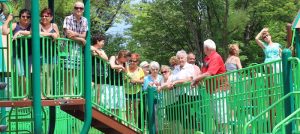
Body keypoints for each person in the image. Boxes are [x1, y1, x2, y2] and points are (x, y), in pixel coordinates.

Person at [192, 39, 228, 133]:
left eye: (203, 48)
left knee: (221, 115)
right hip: (213, 90)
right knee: (216, 115)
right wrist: (197, 80)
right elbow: (203, 73)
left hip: (220, 90)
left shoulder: (216, 57)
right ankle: (220, 132)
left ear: (207, 48)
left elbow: (209, 73)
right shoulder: (207, 59)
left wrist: (196, 79)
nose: (203, 50)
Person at [2, 9, 31, 99]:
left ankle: (25, 94)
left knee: (26, 75)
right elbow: (4, 32)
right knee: (20, 74)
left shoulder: (31, 26)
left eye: (28, 17)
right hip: (17, 55)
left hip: (29, 54)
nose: (25, 18)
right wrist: (8, 20)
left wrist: (20, 32)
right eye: (23, 16)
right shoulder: (15, 25)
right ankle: (23, 94)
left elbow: (32, 33)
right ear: (20, 17)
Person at [62, 1, 88, 97]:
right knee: (67, 71)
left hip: (77, 49)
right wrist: (80, 38)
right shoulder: (68, 18)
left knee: (74, 71)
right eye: (77, 8)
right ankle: (66, 93)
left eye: (81, 8)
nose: (78, 10)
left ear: (83, 10)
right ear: (74, 8)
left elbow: (84, 35)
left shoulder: (85, 20)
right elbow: (68, 35)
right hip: (68, 47)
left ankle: (72, 92)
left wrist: (76, 35)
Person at [102, 50, 130, 117]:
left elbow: (126, 72)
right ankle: (109, 117)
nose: (127, 61)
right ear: (123, 56)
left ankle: (116, 119)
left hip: (119, 85)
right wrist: (120, 67)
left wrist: (123, 67)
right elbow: (112, 66)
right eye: (126, 59)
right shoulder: (113, 57)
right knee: (110, 104)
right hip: (109, 84)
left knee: (118, 105)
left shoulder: (125, 63)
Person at [125, 53, 144, 125]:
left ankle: (136, 125)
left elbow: (142, 81)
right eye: (131, 61)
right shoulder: (126, 68)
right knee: (128, 109)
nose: (132, 62)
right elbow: (123, 77)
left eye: (134, 61)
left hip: (137, 92)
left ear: (137, 62)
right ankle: (128, 124)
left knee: (136, 108)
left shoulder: (140, 69)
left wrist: (135, 81)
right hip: (127, 91)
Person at [91, 35, 108, 104]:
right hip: (91, 72)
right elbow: (92, 52)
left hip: (101, 72)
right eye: (102, 42)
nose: (103, 43)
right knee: (90, 88)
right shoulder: (90, 47)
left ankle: (96, 107)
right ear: (97, 41)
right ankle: (88, 105)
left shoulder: (102, 50)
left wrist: (98, 53)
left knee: (98, 93)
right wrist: (100, 54)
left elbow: (106, 58)